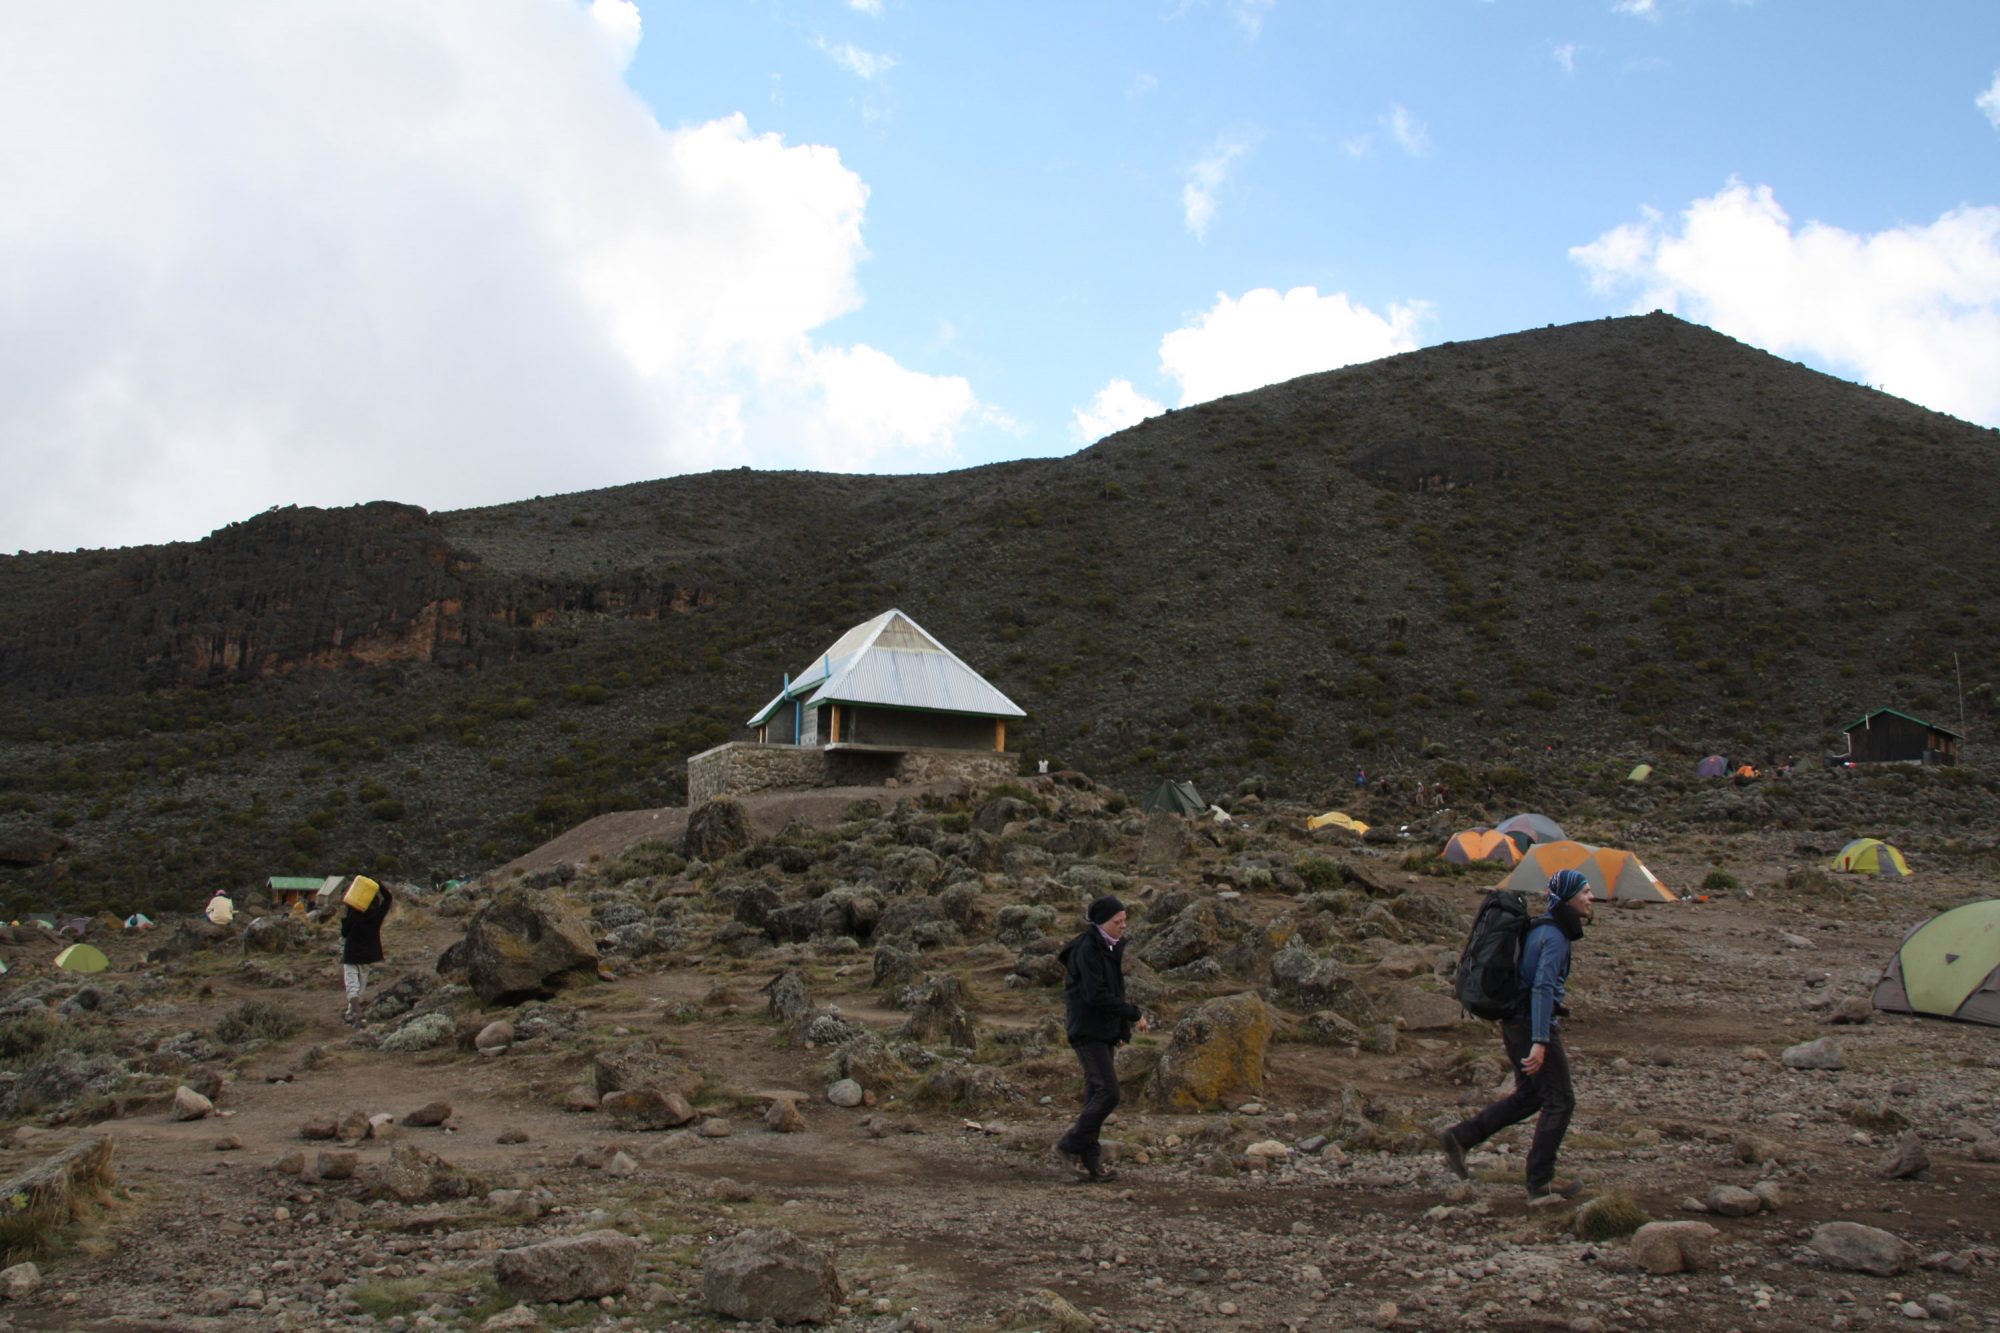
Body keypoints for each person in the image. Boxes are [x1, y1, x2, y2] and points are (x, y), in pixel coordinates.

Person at [1437, 869, 1594, 1200]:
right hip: (1530, 1026)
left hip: (1514, 1024)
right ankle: (1541, 1181)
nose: (1591, 898)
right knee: (1560, 1100)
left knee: (1529, 1097)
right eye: (1585, 892)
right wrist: (1541, 1041)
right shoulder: (1554, 938)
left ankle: (1462, 1137)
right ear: (1568, 898)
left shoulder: (1542, 928)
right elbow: (1542, 989)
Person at [1054, 895, 1147, 1183]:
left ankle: (1091, 1162)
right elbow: (1096, 995)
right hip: (1087, 1032)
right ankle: (1067, 1147)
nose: (1123, 925)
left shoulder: (1109, 947)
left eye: (1124, 920)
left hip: (1102, 1032)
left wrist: (1120, 1031)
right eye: (1117, 921)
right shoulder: (1088, 949)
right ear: (1102, 922)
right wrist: (1133, 1014)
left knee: (1096, 1094)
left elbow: (1113, 992)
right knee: (1109, 1093)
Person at [340, 879, 394, 1026]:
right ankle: (352, 1014)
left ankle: (358, 1015)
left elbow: (344, 933)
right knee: (361, 987)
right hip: (368, 956)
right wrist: (379, 885)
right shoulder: (377, 916)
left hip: (351, 954)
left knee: (352, 985)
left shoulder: (355, 914)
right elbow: (388, 898)